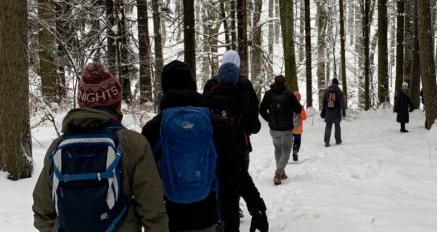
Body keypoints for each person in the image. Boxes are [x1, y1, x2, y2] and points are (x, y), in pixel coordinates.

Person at [33, 62, 168, 232]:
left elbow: (42, 212)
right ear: (116, 103)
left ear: (82, 102)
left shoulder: (58, 146)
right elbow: (153, 212)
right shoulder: (133, 143)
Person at [142, 61, 268, 232]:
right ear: (193, 86)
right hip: (210, 216)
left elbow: (142, 181)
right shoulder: (215, 123)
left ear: (165, 88)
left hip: (171, 219)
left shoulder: (154, 127)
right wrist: (256, 207)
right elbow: (237, 170)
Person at [203, 50, 261, 170]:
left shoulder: (210, 84)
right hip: (239, 143)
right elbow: (253, 116)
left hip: (214, 144)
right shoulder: (244, 85)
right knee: (240, 182)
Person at [259, 75, 303, 185]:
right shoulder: (288, 94)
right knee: (286, 150)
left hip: (274, 129)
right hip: (287, 128)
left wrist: (269, 120)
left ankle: (282, 173)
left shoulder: (269, 94)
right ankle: (278, 174)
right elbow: (298, 109)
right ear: (284, 83)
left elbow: (261, 110)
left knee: (278, 149)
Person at [321, 78, 347, 147]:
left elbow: (323, 102)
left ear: (332, 83)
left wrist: (323, 110)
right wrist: (343, 113)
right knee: (337, 127)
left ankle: (327, 141)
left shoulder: (326, 91)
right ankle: (338, 140)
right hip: (337, 113)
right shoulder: (339, 92)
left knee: (328, 126)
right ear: (337, 84)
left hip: (328, 113)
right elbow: (342, 104)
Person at [292, 91, 308, 162]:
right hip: (298, 129)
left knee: (288, 141)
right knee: (297, 141)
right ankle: (295, 151)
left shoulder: (288, 106)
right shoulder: (300, 107)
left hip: (289, 128)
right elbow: (304, 117)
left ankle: (285, 154)